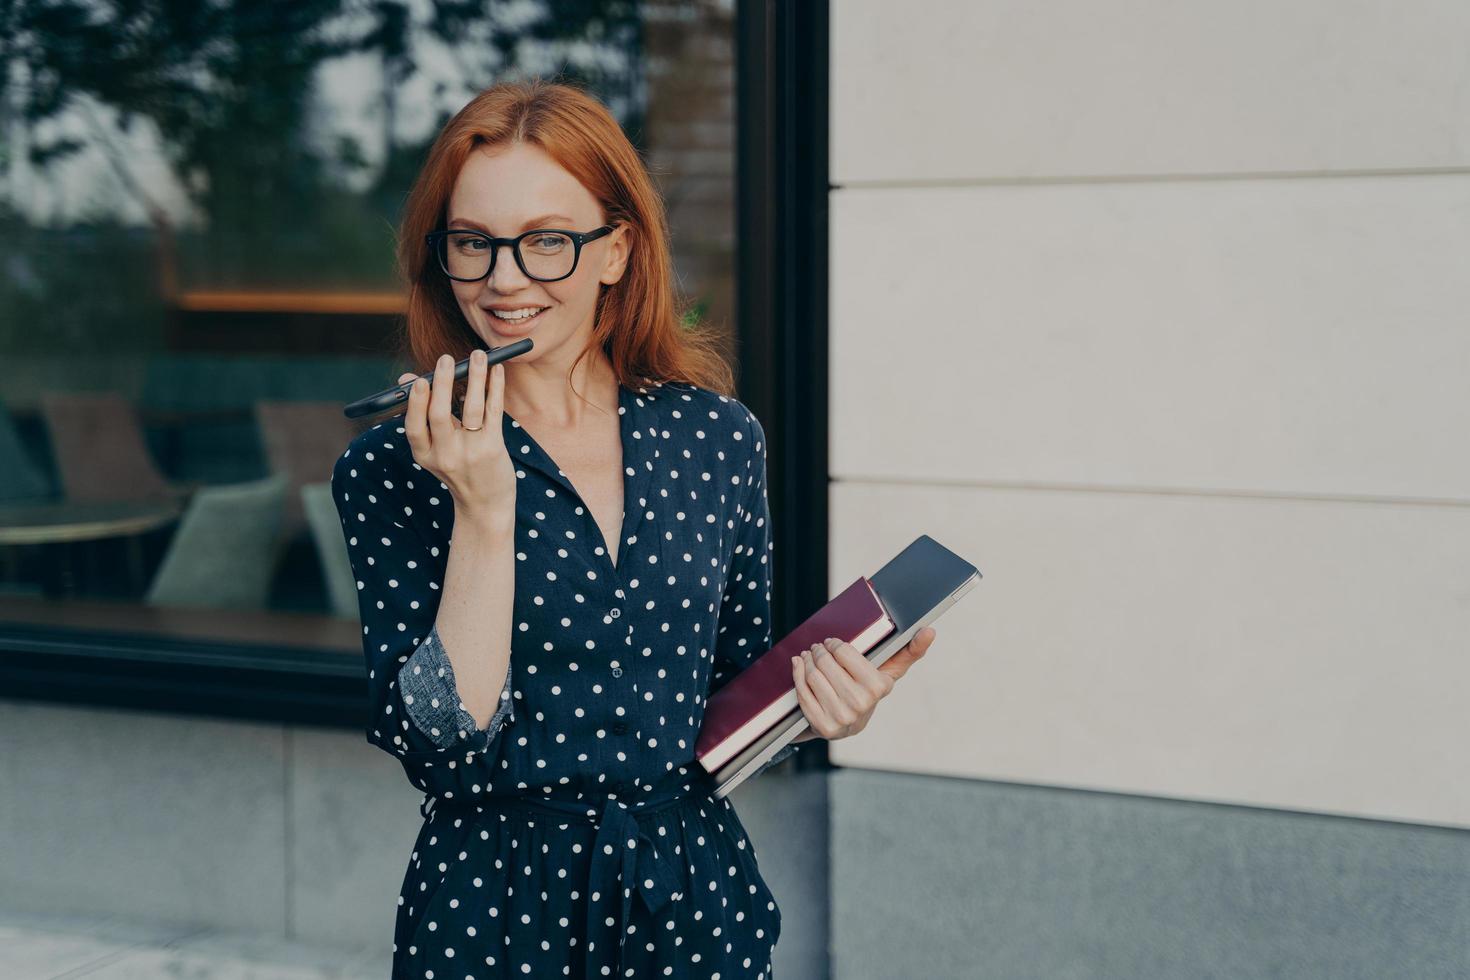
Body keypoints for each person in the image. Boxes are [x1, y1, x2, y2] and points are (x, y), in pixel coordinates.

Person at [330, 78, 936, 980]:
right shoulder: (395, 465)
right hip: (493, 913)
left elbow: (727, 695)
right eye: (474, 244)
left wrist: (815, 714)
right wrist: (484, 509)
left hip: (692, 901)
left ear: (616, 249)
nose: (504, 279)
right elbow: (439, 742)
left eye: (545, 242)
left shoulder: (717, 439)